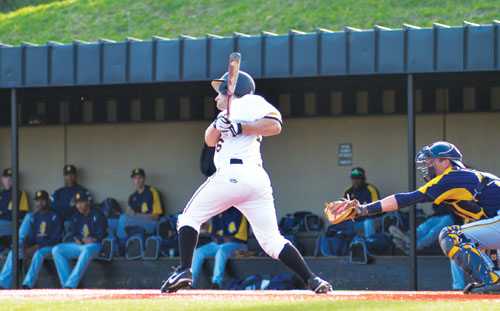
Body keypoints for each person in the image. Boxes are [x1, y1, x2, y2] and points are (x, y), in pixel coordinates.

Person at [160, 70, 332, 294]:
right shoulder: (227, 113)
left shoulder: (248, 101)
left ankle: (184, 269)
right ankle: (312, 279)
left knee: (188, 218)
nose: (215, 97)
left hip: (233, 173)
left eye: (220, 91)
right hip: (255, 179)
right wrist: (219, 125)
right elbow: (209, 141)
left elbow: (275, 124)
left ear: (231, 90)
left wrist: (241, 127)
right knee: (271, 240)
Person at [336, 141, 500, 294]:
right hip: (496, 222)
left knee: (451, 236)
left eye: (432, 160)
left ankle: (492, 282)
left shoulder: (451, 176)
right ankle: (494, 280)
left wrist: (363, 209)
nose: (428, 165)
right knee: (471, 239)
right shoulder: (467, 178)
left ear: (446, 162)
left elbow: (406, 198)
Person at [389, 203, 466, 290]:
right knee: (423, 227)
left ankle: (412, 246)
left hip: (453, 219)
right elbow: (434, 205)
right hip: (438, 215)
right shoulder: (440, 191)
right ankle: (408, 237)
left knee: (433, 232)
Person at [0, 190, 63, 289]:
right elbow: (32, 238)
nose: (40, 203)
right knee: (15, 252)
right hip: (35, 247)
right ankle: (2, 284)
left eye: (42, 200)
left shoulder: (54, 216)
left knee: (38, 254)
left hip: (49, 247)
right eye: (37, 200)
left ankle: (27, 284)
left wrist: (35, 247)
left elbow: (55, 239)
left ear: (48, 201)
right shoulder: (34, 217)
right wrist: (26, 247)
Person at [51, 191, 107, 289]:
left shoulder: (97, 214)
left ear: (87, 202)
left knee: (86, 250)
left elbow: (101, 236)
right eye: (77, 203)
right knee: (57, 249)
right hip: (81, 245)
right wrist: (81, 239)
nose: (79, 205)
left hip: (95, 246)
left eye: (81, 202)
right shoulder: (76, 216)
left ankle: (72, 284)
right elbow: (75, 235)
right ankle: (66, 284)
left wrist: (90, 239)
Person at [192, 207, 248, 289]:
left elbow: (240, 238)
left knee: (222, 250)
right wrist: (223, 239)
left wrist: (222, 239)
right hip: (219, 243)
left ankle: (216, 283)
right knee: (198, 252)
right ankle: (190, 283)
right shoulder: (217, 212)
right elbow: (212, 234)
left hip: (237, 244)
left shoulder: (239, 213)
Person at [109, 168, 162, 248]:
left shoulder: (152, 192)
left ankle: (119, 247)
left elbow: (156, 216)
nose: (137, 180)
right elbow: (128, 213)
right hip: (135, 222)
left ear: (144, 179)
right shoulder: (132, 196)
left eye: (139, 178)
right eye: (135, 178)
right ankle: (110, 245)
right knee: (110, 222)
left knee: (124, 219)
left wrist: (136, 214)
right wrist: (128, 213)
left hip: (152, 224)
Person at [50, 165, 91, 233]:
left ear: (76, 176)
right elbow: (52, 208)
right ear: (64, 177)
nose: (70, 177)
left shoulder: (83, 191)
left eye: (72, 174)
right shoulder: (58, 192)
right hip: (59, 223)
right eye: (67, 175)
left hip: (78, 221)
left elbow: (89, 207)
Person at [342, 167, 380, 237]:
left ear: (363, 179)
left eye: (358, 179)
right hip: (354, 222)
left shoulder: (370, 190)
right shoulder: (348, 191)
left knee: (368, 223)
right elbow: (343, 211)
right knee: (337, 224)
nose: (356, 181)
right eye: (353, 179)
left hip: (370, 221)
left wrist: (358, 211)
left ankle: (369, 244)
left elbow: (376, 210)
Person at [0, 168, 29, 240]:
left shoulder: (20, 193)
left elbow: (22, 213)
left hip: (13, 223)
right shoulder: (1, 194)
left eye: (11, 178)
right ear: (2, 179)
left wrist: (4, 214)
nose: (8, 180)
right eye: (6, 177)